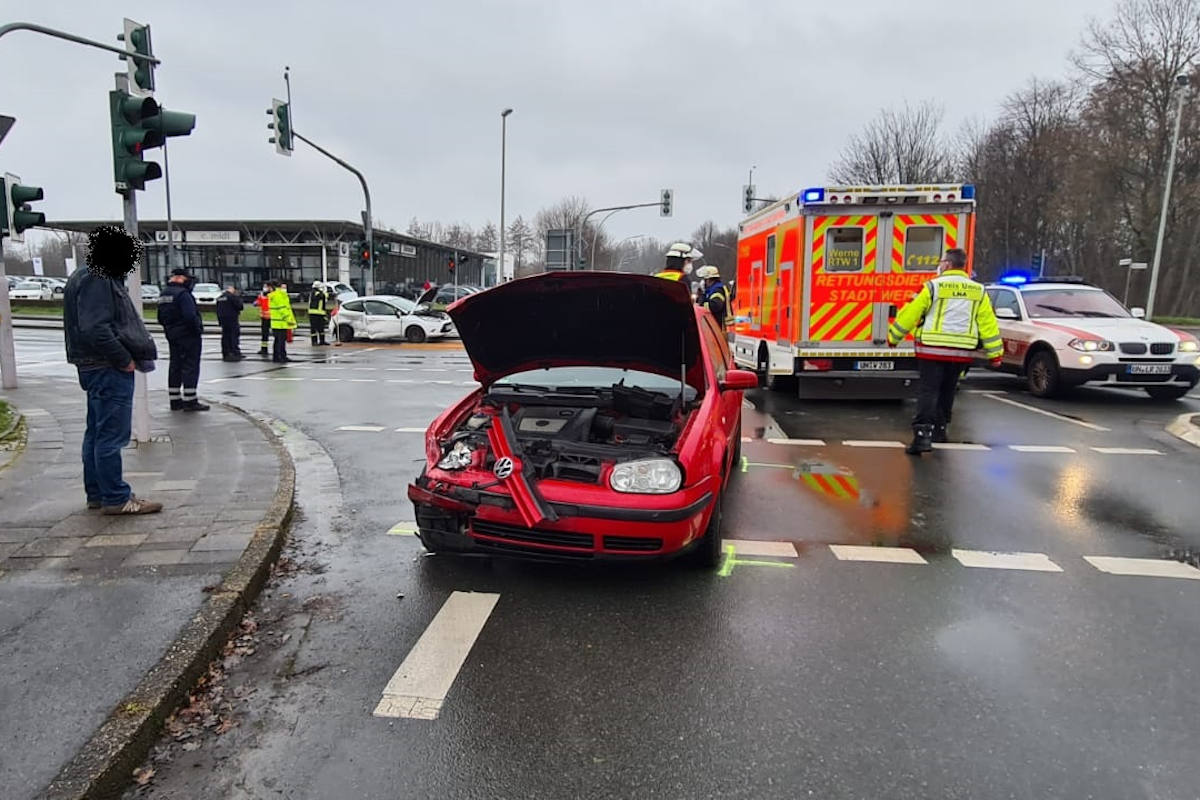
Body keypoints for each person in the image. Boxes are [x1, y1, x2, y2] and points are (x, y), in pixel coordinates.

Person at [63, 225, 162, 515]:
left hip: (91, 365)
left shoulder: (82, 275)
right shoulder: (99, 277)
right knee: (111, 435)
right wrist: (123, 359)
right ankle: (116, 497)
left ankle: (98, 492)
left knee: (95, 432)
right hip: (106, 366)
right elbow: (97, 327)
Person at [887, 248, 1003, 455]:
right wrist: (995, 353)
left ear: (948, 264)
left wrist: (894, 337)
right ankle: (941, 429)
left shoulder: (933, 287)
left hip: (931, 349)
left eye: (942, 262)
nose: (940, 265)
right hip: (961, 352)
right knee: (948, 390)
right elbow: (987, 323)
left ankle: (922, 436)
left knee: (928, 391)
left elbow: (912, 313)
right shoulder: (979, 291)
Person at [157, 268, 209, 411]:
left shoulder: (164, 294)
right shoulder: (183, 294)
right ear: (180, 278)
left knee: (175, 366)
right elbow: (190, 316)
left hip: (172, 334)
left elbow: (160, 317)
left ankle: (175, 400)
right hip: (188, 336)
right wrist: (197, 329)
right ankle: (190, 401)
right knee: (190, 366)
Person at [269, 280, 297, 362]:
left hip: (277, 322)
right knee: (280, 341)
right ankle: (280, 356)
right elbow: (283, 309)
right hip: (281, 322)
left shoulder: (277, 295)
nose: (285, 289)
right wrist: (289, 320)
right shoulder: (279, 295)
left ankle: (278, 356)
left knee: (278, 341)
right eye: (283, 287)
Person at [215, 284, 244, 361]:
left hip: (223, 320)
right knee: (233, 336)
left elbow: (217, 309)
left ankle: (226, 353)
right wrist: (239, 298)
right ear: (232, 289)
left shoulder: (220, 297)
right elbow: (240, 306)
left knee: (225, 336)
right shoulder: (232, 297)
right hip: (232, 319)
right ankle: (234, 352)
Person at [308, 281, 331, 346]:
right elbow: (322, 296)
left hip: (320, 313)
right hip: (313, 313)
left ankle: (322, 341)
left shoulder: (318, 292)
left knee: (321, 328)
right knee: (314, 328)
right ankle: (314, 341)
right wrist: (325, 292)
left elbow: (325, 297)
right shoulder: (314, 292)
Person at [256, 283, 272, 357]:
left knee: (276, 335)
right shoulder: (261, 295)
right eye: (264, 286)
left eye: (266, 286)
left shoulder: (272, 295)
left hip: (272, 317)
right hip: (264, 317)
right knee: (264, 334)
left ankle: (276, 349)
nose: (265, 288)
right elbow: (258, 303)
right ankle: (264, 349)